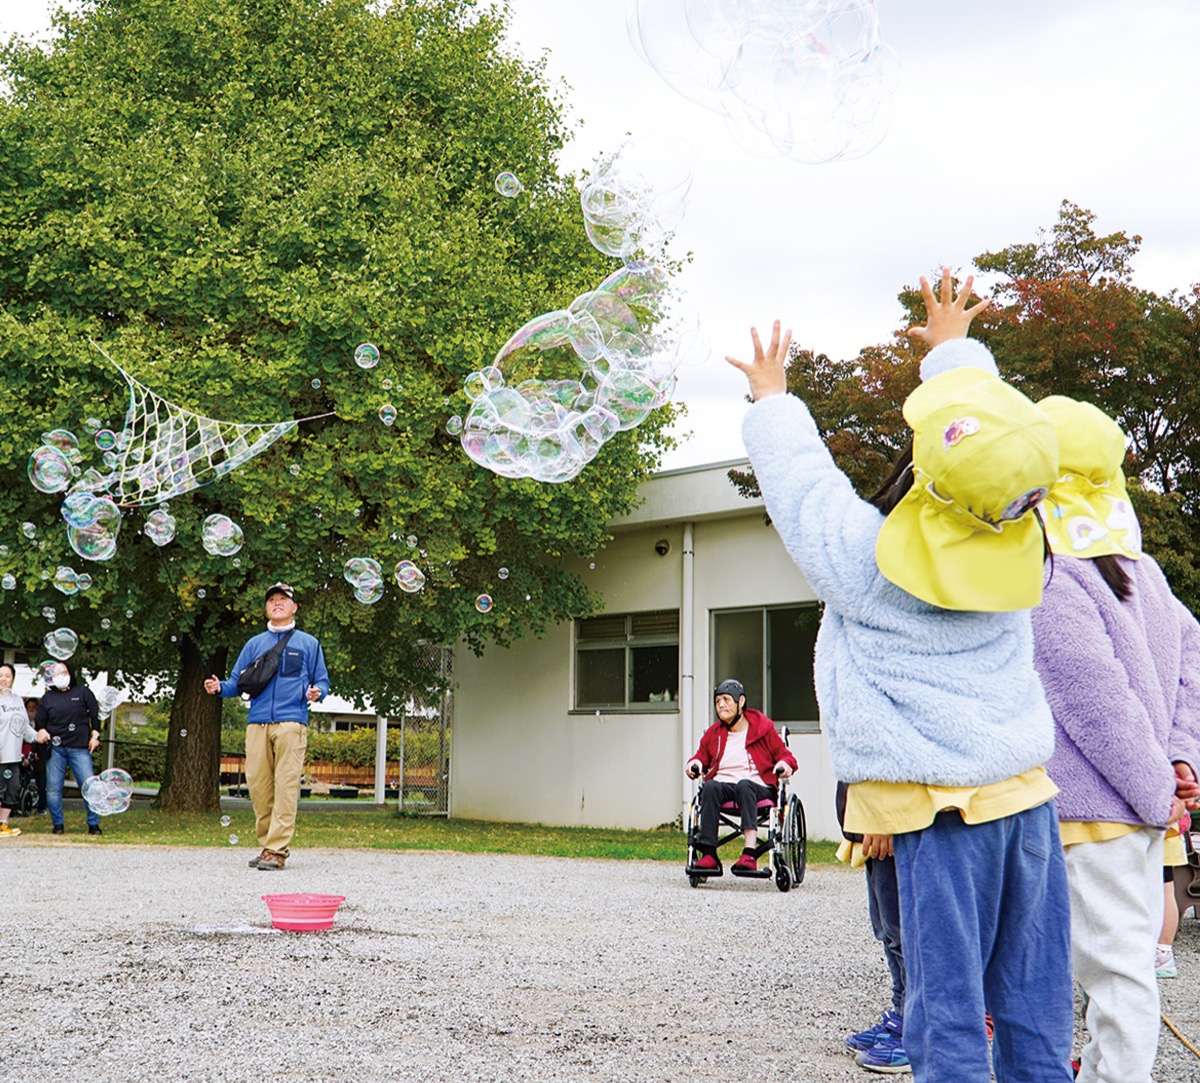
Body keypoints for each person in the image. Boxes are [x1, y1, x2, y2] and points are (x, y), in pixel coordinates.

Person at [726, 269, 1073, 1082]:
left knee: (946, 1013)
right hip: (1027, 806)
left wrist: (772, 399)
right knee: (1035, 1006)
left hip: (941, 819)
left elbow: (806, 492)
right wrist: (954, 350)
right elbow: (993, 447)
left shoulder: (870, 568)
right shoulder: (1022, 549)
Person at [1029, 394, 1200, 1083]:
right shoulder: (1145, 571)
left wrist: (1161, 786)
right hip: (1138, 804)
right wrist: (1180, 758)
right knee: (1122, 965)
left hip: (1090, 809)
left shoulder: (1052, 573)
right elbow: (1191, 658)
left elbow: (1095, 703)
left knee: (1115, 973)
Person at [205, 582, 329, 871]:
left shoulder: (309, 643)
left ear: (294, 607)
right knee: (259, 787)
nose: (277, 603)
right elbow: (235, 684)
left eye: (283, 599)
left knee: (285, 786)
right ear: (266, 607)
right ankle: (266, 845)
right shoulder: (254, 644)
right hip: (257, 723)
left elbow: (322, 681)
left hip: (291, 723)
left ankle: (277, 849)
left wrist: (317, 692)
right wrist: (218, 687)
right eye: (272, 599)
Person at [685, 679, 797, 876]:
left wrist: (783, 765)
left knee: (744, 785)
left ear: (741, 702)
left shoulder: (762, 729)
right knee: (710, 786)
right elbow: (700, 757)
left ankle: (749, 853)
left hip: (757, 788)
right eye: (717, 701)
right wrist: (694, 764)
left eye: (726, 700)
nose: (721, 705)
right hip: (725, 789)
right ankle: (709, 854)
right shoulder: (714, 733)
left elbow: (786, 756)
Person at [34, 661, 102, 835]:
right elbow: (40, 721)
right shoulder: (48, 697)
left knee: (89, 786)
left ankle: (93, 824)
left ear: (70, 673)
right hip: (55, 749)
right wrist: (41, 730)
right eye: (55, 673)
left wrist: (95, 735)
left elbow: (95, 715)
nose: (59, 676)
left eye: (63, 672)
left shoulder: (83, 692)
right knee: (53, 788)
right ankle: (58, 824)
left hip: (79, 748)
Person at [0, 664, 46, 837]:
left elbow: (24, 727)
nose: (3, 679)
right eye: (0, 675)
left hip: (13, 755)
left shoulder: (17, 700)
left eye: (7, 676)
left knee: (12, 790)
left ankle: (2, 825)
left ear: (13, 679)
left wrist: (37, 736)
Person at [24, 697, 48, 813]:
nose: (31, 710)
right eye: (29, 708)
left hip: (39, 758)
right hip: (24, 757)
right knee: (24, 781)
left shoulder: (42, 724)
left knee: (41, 782)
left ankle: (41, 806)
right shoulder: (22, 723)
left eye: (34, 707)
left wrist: (37, 752)